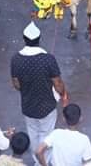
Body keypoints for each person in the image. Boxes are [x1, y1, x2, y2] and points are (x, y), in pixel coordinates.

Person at [10, 22, 66, 155]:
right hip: (47, 106)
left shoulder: (16, 59)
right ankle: (44, 159)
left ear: (24, 39)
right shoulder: (48, 59)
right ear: (39, 39)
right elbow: (58, 83)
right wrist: (63, 94)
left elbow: (16, 84)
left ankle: (37, 160)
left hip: (28, 106)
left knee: (33, 134)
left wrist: (27, 89)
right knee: (47, 135)